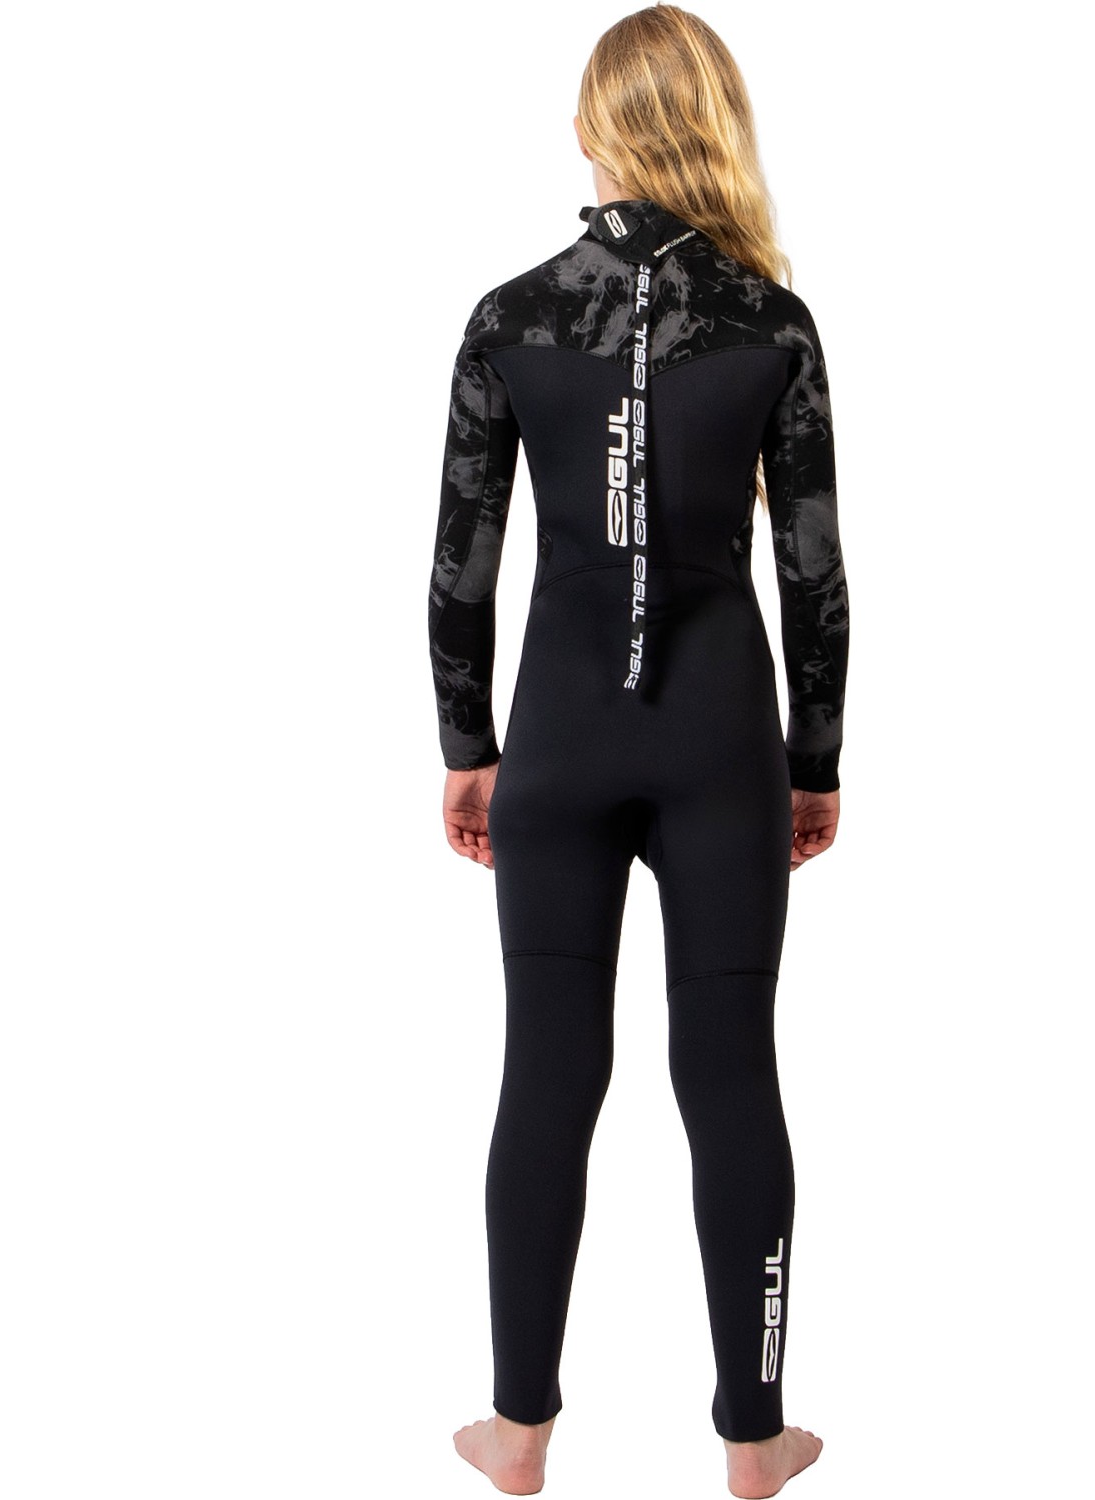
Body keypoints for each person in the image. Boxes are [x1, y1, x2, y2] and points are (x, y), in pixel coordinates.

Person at [428, 7, 848, 1495]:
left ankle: (518, 1434)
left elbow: (461, 571)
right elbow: (813, 574)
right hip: (724, 746)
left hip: (554, 741)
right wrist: (814, 761)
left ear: (594, 129)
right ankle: (755, 1439)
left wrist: (470, 746)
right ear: (716, 126)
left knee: (547, 1074)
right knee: (731, 1076)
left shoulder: (511, 318)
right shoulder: (772, 324)